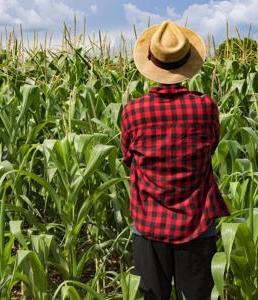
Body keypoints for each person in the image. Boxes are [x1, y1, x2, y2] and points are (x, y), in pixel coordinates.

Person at [120, 20, 230, 300]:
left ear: (151, 63)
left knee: (153, 296)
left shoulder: (134, 111)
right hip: (197, 223)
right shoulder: (206, 108)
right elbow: (211, 147)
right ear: (187, 63)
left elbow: (128, 158)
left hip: (149, 224)